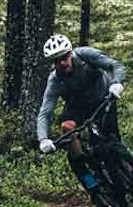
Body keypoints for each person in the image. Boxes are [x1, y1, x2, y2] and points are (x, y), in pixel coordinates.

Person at [35, 34, 127, 198]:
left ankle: (128, 174)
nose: (62, 63)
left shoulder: (86, 55)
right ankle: (86, 175)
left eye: (64, 57)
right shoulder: (55, 80)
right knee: (67, 128)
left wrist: (117, 83)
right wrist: (43, 139)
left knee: (113, 143)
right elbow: (45, 112)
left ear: (71, 53)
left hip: (104, 99)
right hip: (78, 108)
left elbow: (115, 66)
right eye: (57, 61)